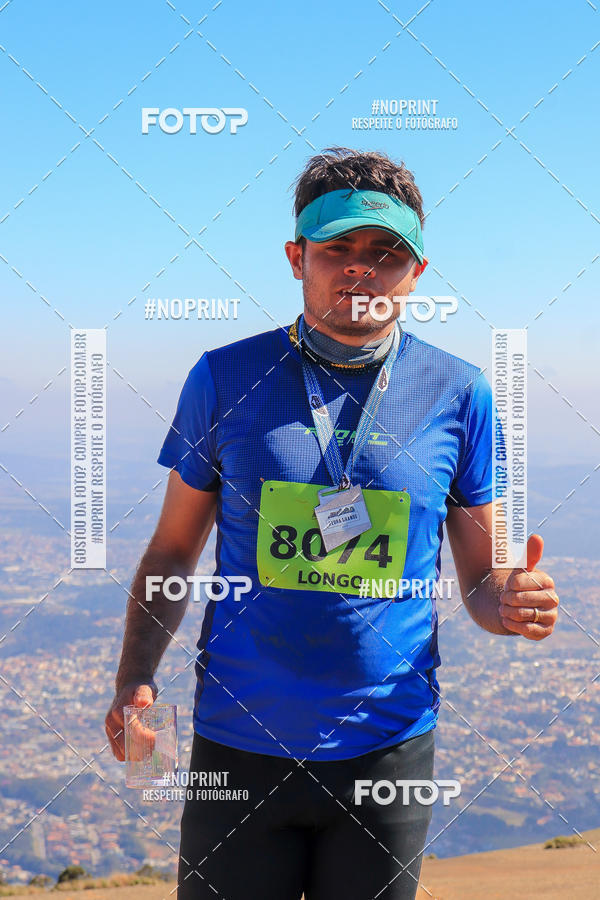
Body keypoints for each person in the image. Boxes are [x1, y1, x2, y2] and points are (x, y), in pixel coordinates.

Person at [105, 147, 559, 900]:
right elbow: (172, 553)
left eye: (387, 253)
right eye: (338, 247)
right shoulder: (223, 377)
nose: (361, 268)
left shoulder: (461, 393)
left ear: (416, 272)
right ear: (297, 258)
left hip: (389, 749)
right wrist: (134, 679)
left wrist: (509, 604)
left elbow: (483, 579)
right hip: (237, 743)